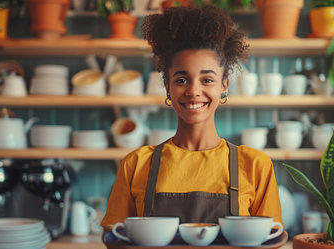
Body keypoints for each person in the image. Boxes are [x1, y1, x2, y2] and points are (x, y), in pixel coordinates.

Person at [100, 5, 282, 229]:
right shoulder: (136, 164)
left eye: (207, 80)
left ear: (224, 86)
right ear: (167, 86)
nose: (193, 91)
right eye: (181, 80)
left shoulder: (255, 166)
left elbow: (272, 239)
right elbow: (114, 238)